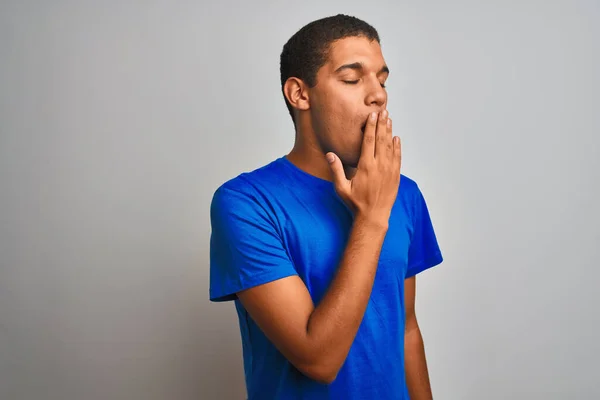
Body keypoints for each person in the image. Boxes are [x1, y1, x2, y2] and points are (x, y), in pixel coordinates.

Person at [209, 14, 443, 400]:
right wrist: (371, 218)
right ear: (300, 94)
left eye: (382, 80)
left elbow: (406, 329)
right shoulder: (245, 204)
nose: (378, 95)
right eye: (353, 79)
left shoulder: (404, 194)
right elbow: (318, 360)